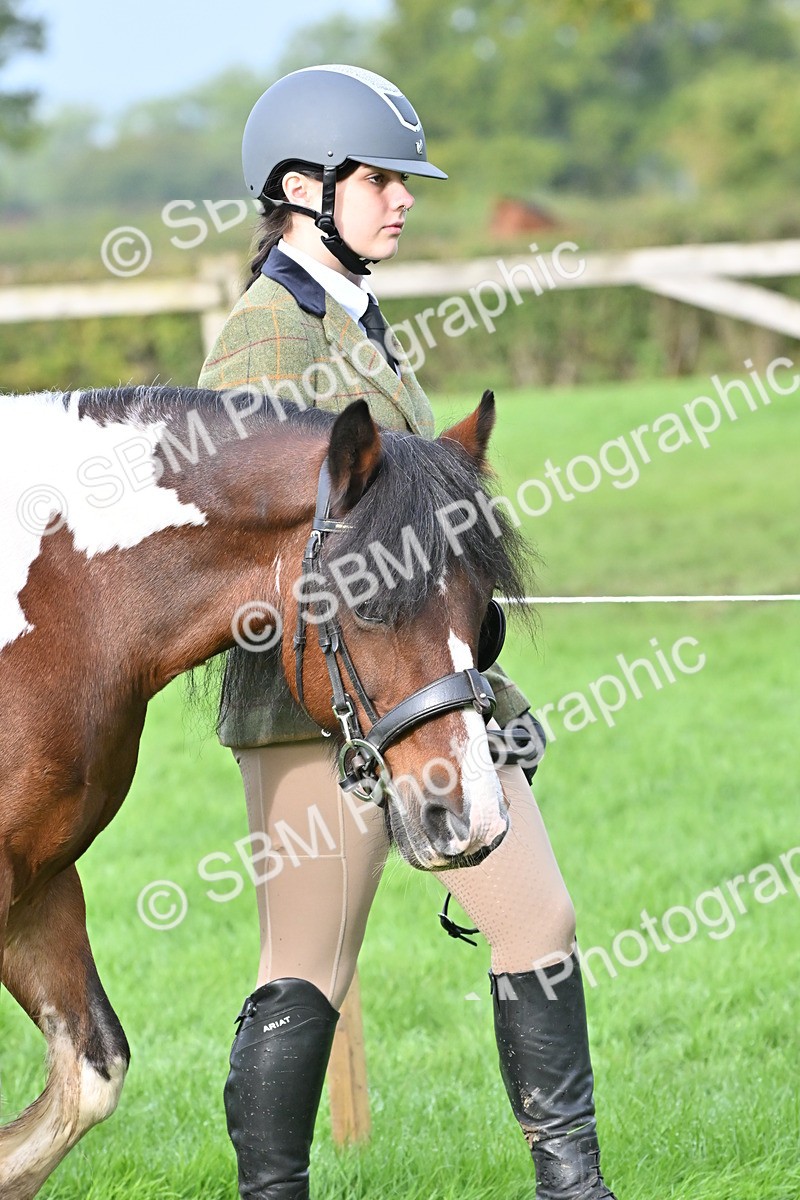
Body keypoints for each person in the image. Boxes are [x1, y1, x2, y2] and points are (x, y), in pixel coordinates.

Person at [198, 64, 617, 1200]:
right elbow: (250, 544)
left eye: (401, 181)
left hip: (424, 696)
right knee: (307, 967)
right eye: (380, 179)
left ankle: (572, 1188)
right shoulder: (260, 340)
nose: (403, 199)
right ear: (299, 185)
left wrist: (465, 672)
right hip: (307, 707)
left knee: (538, 915)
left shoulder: (359, 325)